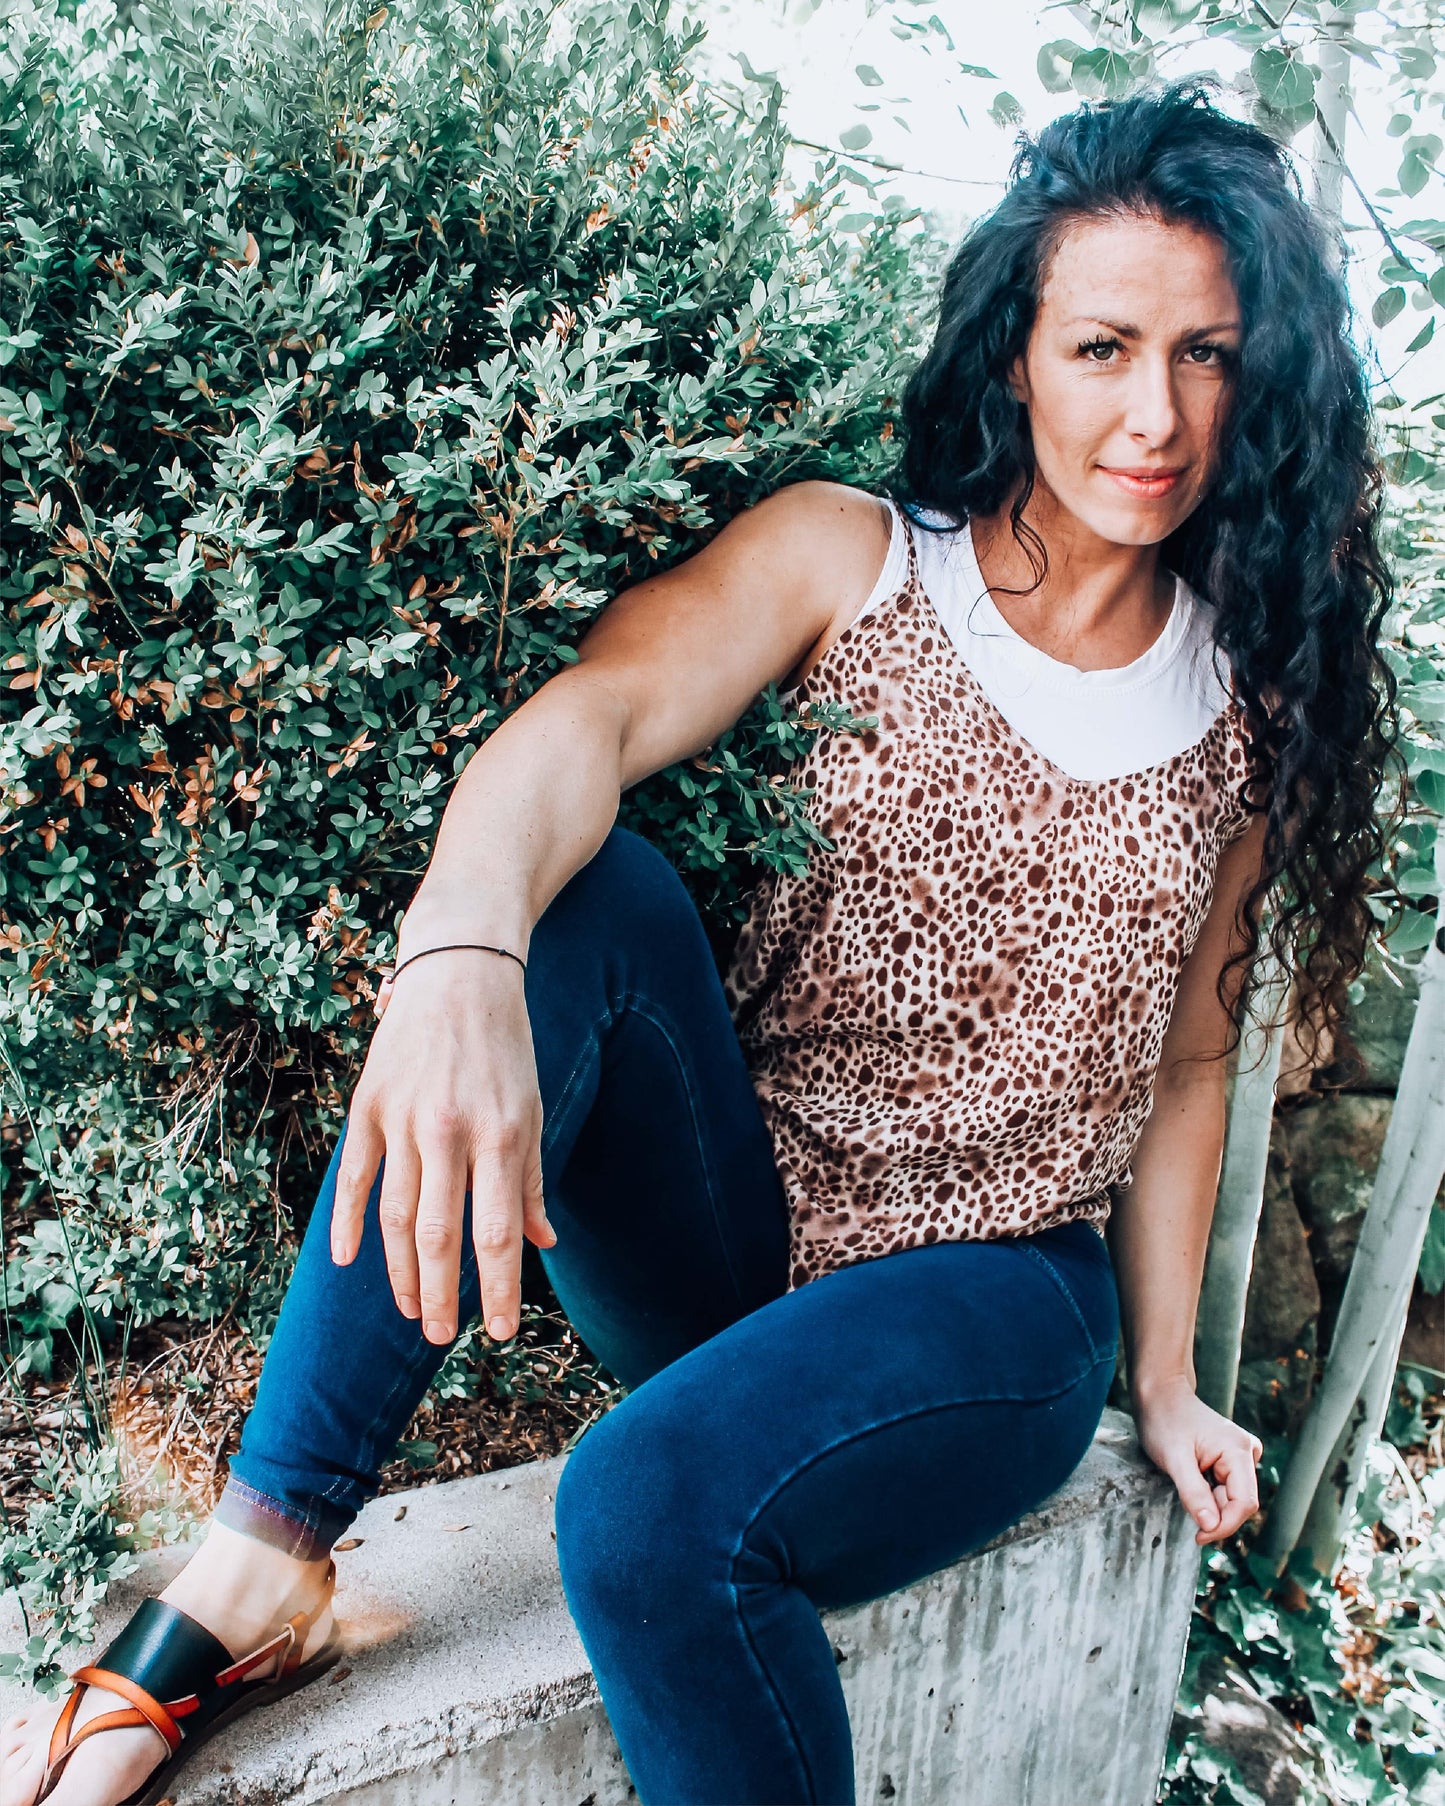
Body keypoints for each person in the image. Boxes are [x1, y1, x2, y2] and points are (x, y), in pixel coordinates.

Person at [3, 78, 1400, 1806]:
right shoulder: (851, 559)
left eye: (1206, 354)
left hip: (991, 1299)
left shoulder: (1243, 713)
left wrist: (1171, 1381)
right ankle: (263, 1548)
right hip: (739, 1231)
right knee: (581, 900)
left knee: (646, 1512)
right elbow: (589, 717)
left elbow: (1189, 1060)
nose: (1155, 413)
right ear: (1018, 353)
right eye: (1103, 346)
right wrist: (457, 954)